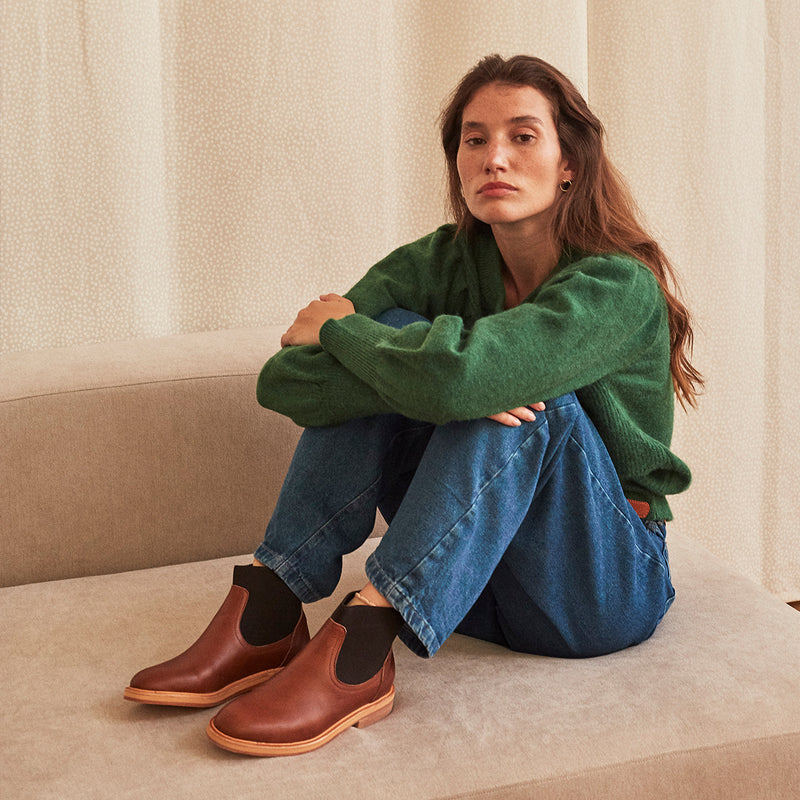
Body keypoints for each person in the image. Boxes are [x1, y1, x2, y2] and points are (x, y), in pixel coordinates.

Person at [124, 54, 701, 757]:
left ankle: (364, 645)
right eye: (474, 139)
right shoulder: (440, 262)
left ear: (569, 163)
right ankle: (270, 609)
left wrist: (353, 337)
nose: (494, 158)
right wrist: (429, 378)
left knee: (527, 400)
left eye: (523, 137)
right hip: (476, 586)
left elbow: (443, 375)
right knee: (410, 342)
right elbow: (284, 381)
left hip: (600, 589)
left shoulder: (616, 287)